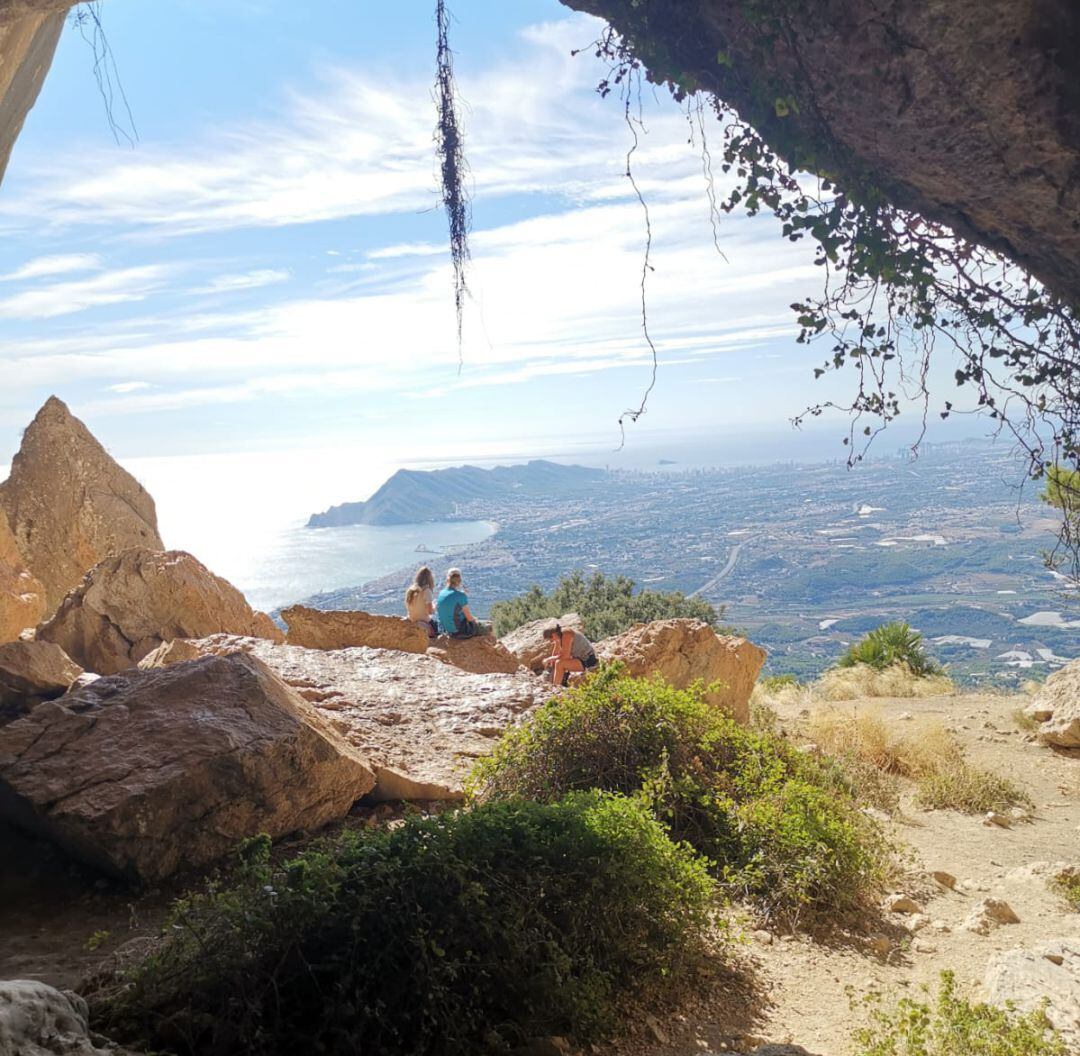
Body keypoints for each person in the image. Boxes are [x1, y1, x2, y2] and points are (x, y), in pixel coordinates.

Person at [542, 622, 598, 687]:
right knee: (555, 663)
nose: (551, 641)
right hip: (578, 658)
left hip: (587, 659)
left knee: (560, 663)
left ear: (553, 634)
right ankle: (554, 684)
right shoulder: (559, 636)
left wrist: (549, 659)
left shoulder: (566, 634)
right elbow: (556, 652)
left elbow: (565, 656)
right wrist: (550, 665)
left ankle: (556, 688)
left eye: (550, 639)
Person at [436, 567, 482, 638]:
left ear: (447, 579)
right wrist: (476, 622)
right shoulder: (461, 596)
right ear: (459, 580)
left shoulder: (441, 593)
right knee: (484, 627)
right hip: (458, 631)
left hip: (444, 630)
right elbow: (469, 617)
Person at [404, 565, 438, 639]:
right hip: (424, 622)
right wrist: (435, 606)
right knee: (440, 626)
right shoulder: (426, 591)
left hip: (412, 621)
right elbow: (430, 611)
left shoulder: (411, 590)